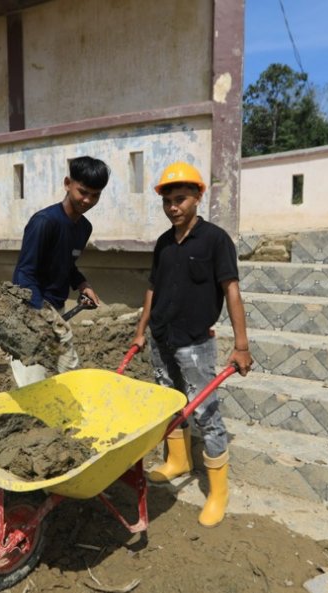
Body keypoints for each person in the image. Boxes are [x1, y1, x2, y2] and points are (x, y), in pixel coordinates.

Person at [130, 161, 253, 527]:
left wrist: (241, 345)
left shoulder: (216, 240)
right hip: (161, 338)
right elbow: (152, 288)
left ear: (198, 196)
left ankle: (218, 492)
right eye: (167, 201)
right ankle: (178, 461)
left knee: (206, 413)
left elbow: (231, 290)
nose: (173, 207)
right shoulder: (164, 243)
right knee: (170, 403)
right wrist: (141, 330)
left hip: (194, 345)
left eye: (180, 199)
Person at [11, 156, 110, 380]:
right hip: (30, 314)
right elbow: (24, 273)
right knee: (32, 382)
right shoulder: (44, 222)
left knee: (69, 374)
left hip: (56, 311)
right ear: (67, 184)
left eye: (95, 195)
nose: (88, 200)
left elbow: (66, 264)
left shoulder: (84, 227)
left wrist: (82, 284)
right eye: (83, 192)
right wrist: (41, 315)